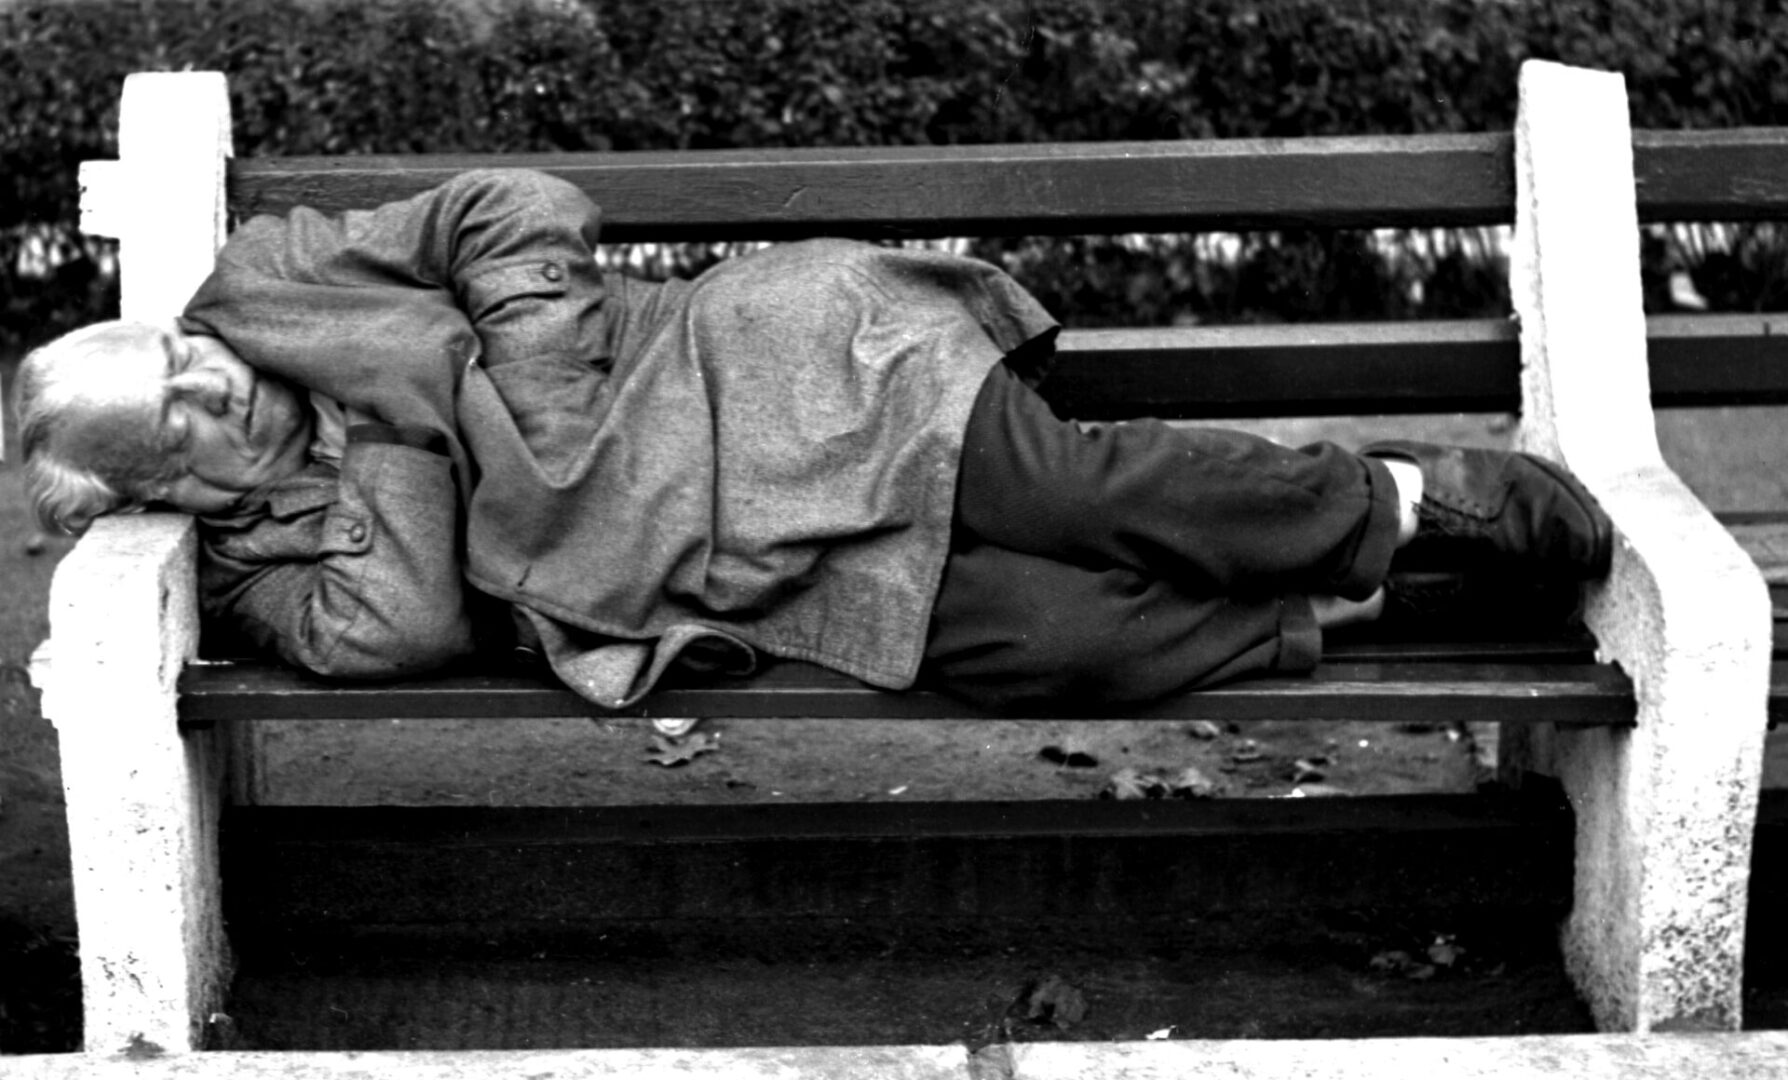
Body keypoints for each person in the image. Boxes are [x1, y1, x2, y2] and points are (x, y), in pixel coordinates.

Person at [14, 169, 1613, 713]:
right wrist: (367, 453)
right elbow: (416, 618)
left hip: (754, 362)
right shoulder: (255, 577)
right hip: (715, 574)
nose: (205, 377)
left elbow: (511, 209)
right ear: (153, 487)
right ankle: (1366, 601)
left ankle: (1404, 494)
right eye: (170, 411)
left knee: (1057, 487)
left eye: (174, 349)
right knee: (1034, 643)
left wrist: (549, 394)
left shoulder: (273, 276)